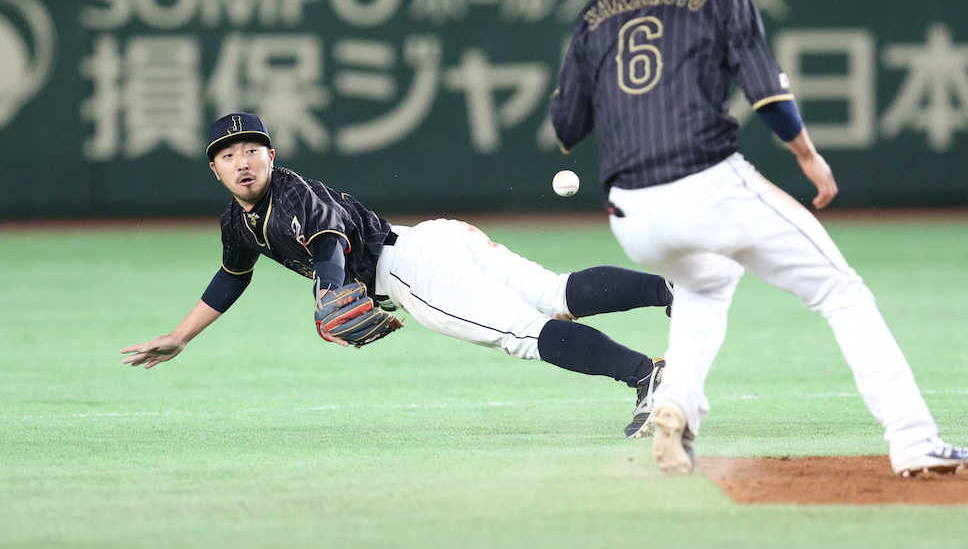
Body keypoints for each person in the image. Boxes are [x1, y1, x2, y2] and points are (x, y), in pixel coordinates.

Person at [548, 0, 968, 477]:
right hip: (708, 186)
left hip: (632, 216)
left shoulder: (594, 16)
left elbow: (566, 126)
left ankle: (675, 406)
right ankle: (914, 440)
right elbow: (769, 96)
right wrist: (807, 155)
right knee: (840, 291)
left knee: (706, 284)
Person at [121, 112, 674, 438]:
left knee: (523, 333)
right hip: (431, 238)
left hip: (411, 270)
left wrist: (332, 287)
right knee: (553, 294)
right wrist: (180, 336)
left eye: (252, 150)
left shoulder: (295, 194)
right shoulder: (238, 222)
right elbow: (231, 277)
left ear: (271, 155)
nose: (242, 162)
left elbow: (330, 242)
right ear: (214, 168)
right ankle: (671, 288)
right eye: (228, 155)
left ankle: (644, 376)